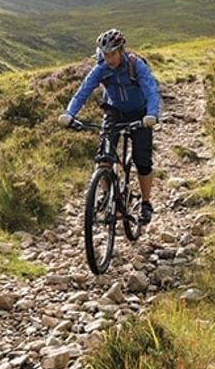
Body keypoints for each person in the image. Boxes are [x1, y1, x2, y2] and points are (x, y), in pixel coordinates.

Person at [58, 28, 160, 224]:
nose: (109, 58)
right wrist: (69, 114)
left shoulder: (135, 65)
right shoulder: (101, 68)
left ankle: (146, 203)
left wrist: (152, 114)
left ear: (121, 50)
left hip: (141, 114)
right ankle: (106, 193)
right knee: (103, 158)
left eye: (112, 53)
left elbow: (151, 91)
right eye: (105, 54)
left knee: (142, 161)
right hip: (114, 112)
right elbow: (82, 93)